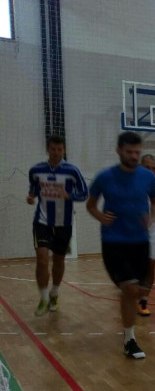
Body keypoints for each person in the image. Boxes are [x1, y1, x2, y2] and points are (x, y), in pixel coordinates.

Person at [86, 131, 155, 359]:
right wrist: (100, 216)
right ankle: (130, 340)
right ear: (119, 150)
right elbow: (91, 205)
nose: (134, 156)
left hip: (140, 241)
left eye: (137, 152)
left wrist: (152, 215)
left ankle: (129, 335)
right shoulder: (104, 177)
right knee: (130, 289)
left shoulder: (147, 177)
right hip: (114, 242)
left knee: (138, 292)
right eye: (129, 152)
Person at [27, 135, 88, 315]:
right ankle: (43, 297)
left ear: (64, 150)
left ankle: (54, 292)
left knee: (59, 260)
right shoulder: (36, 170)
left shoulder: (72, 171)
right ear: (47, 149)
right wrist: (31, 197)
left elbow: (84, 193)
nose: (56, 152)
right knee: (42, 259)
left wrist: (70, 196)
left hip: (64, 223)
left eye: (59, 149)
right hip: (42, 221)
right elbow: (34, 189)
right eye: (53, 149)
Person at [137, 154, 155, 316]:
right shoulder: (132, 184)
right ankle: (130, 294)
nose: (151, 171)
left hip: (153, 231)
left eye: (154, 168)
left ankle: (143, 301)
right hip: (134, 232)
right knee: (135, 268)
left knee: (151, 266)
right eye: (148, 167)